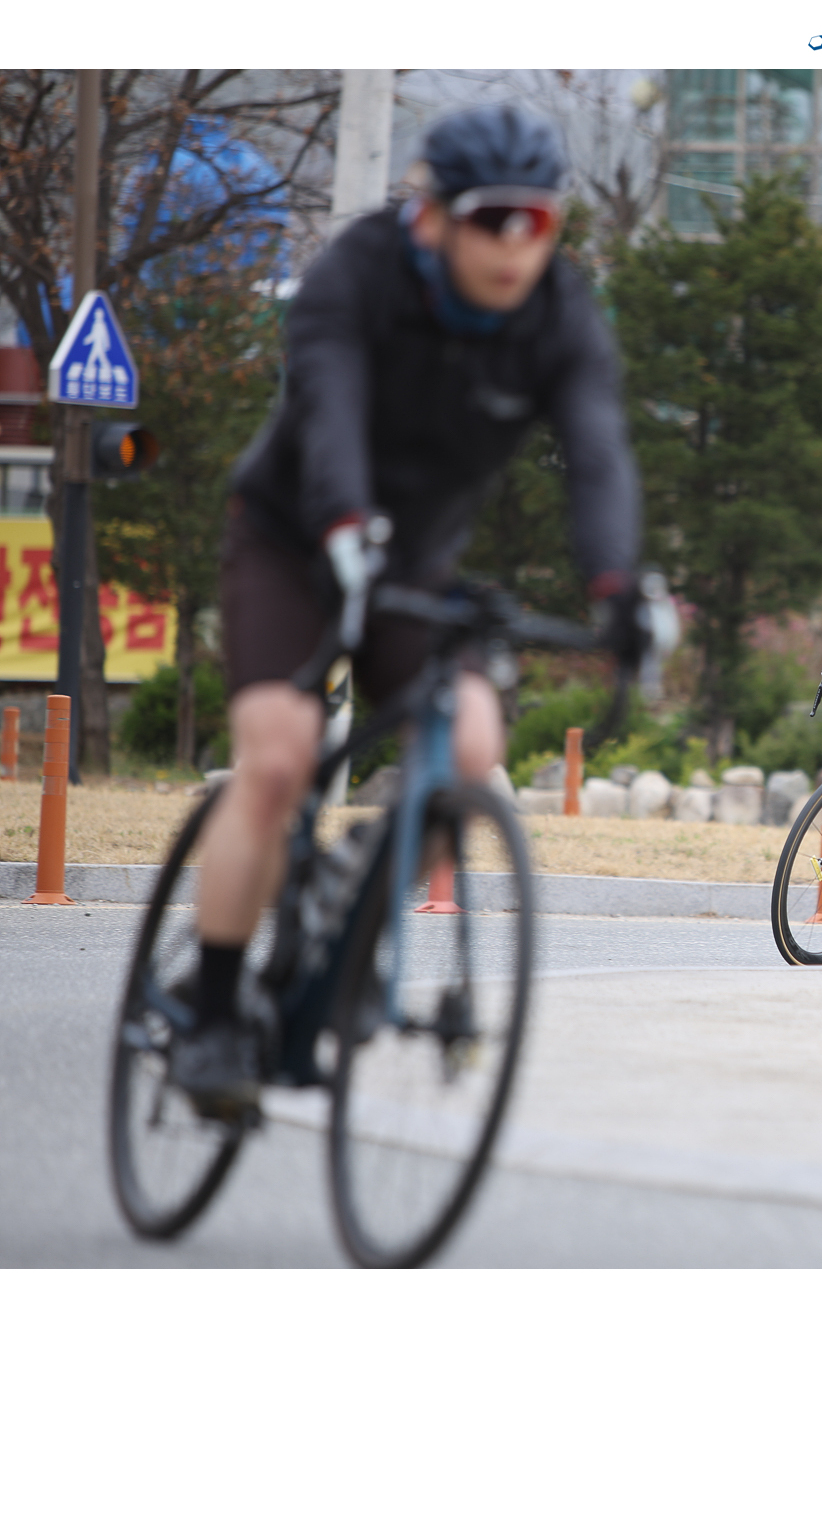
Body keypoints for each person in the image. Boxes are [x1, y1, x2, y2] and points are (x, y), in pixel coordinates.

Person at [175, 104, 643, 1107]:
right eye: (491, 221)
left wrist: (620, 587)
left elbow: (598, 450)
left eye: (537, 222)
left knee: (470, 749)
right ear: (433, 218)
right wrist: (344, 521)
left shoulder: (557, 315)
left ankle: (352, 908)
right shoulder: (359, 273)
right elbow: (330, 407)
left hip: (416, 568)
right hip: (295, 539)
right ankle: (211, 1016)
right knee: (279, 759)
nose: (515, 247)